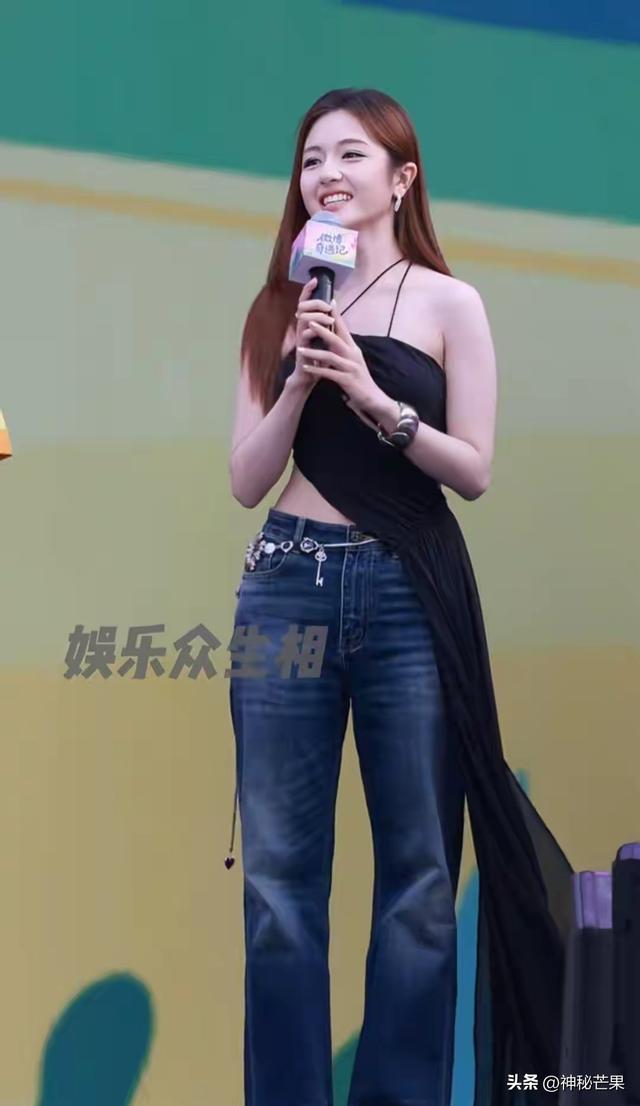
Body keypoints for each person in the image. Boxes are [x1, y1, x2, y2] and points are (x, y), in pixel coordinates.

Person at [226, 87, 574, 1106]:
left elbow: (474, 470)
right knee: (277, 888)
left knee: (420, 884)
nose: (325, 174)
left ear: (401, 177)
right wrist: (301, 377)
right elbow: (245, 478)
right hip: (284, 585)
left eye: (350, 155)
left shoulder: (448, 304)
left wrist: (376, 400)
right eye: (310, 160)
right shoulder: (277, 307)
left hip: (406, 591)